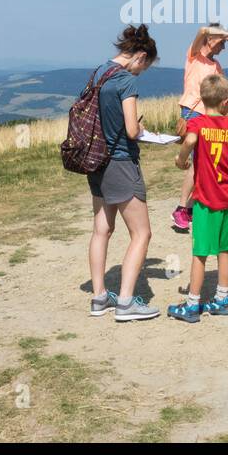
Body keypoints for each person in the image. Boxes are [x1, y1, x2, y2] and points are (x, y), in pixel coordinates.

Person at [167, 75, 228, 322]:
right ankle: (222, 299)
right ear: (226, 103)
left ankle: (191, 304)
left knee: (200, 253)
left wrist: (181, 160)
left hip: (205, 200)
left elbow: (189, 140)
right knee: (223, 250)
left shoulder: (198, 123)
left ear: (203, 99)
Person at [87, 24, 161, 322]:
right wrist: (142, 129)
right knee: (142, 232)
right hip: (121, 161)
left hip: (96, 161)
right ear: (140, 56)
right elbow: (131, 130)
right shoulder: (126, 82)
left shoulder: (98, 73)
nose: (141, 72)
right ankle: (127, 302)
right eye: (144, 67)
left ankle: (99, 296)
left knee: (101, 230)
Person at [170, 24, 228, 232]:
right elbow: (202, 30)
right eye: (222, 42)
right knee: (200, 163)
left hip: (209, 115)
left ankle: (189, 207)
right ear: (212, 39)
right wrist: (223, 33)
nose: (224, 47)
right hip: (193, 112)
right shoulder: (194, 55)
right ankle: (183, 208)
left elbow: (223, 92)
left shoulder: (217, 67)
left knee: (206, 163)